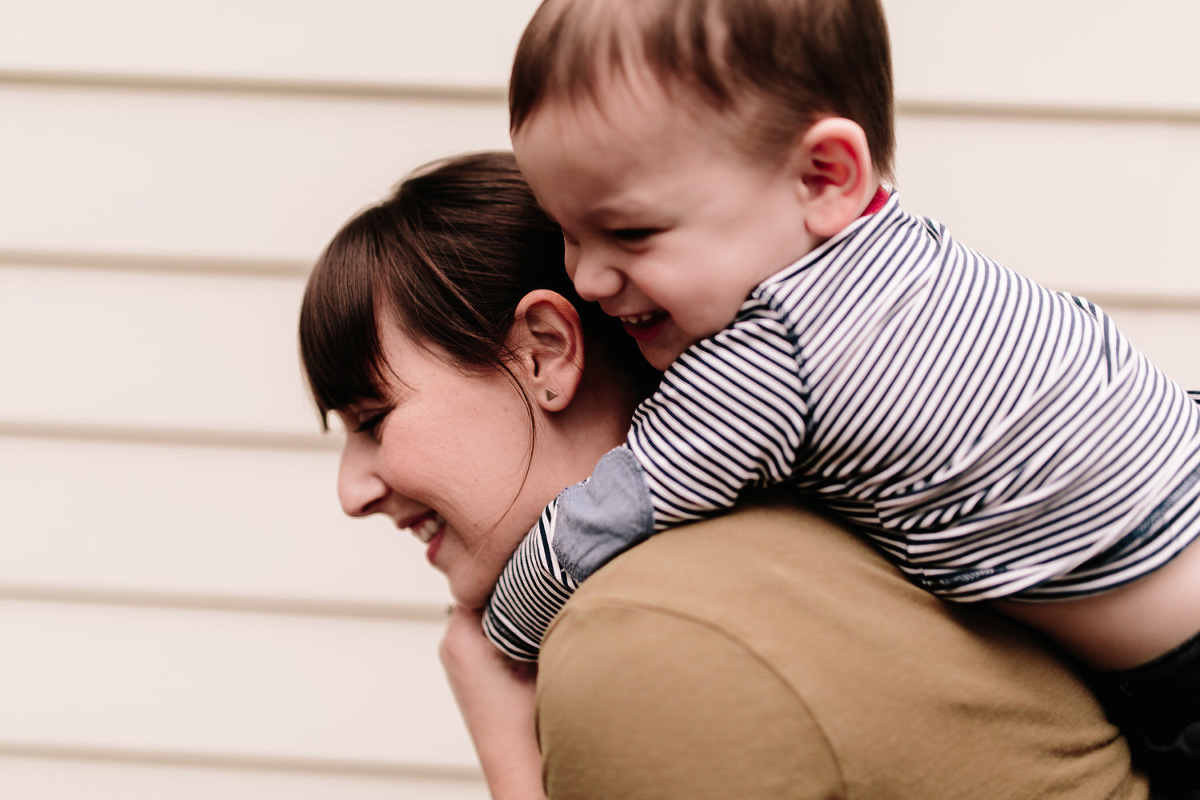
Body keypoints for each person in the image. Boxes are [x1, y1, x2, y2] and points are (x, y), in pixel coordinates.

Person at [481, 1, 1200, 792]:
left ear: (824, 177)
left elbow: (604, 519)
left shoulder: (769, 361)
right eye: (568, 232)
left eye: (631, 233)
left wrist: (500, 629)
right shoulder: (902, 247)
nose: (586, 278)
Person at [298, 151, 1149, 798]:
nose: (351, 492)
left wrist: (504, 731)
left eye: (374, 419)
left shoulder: (644, 633)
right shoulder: (805, 522)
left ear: (544, 352)